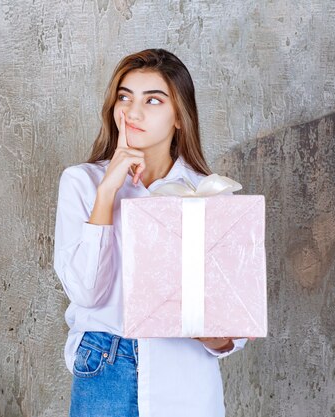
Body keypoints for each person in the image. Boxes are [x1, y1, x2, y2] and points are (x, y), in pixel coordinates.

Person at [53, 48, 247, 417]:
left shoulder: (210, 191)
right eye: (124, 97)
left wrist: (211, 331)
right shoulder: (83, 182)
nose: (132, 111)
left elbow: (230, 334)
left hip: (184, 368)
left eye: (153, 100)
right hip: (106, 364)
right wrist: (108, 191)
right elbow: (86, 291)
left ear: (179, 117)